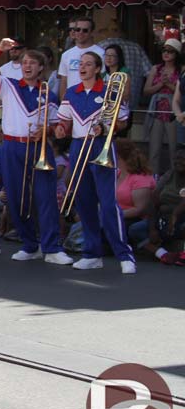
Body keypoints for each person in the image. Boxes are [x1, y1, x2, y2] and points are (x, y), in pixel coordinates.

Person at [53, 51, 136, 273]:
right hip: (79, 146)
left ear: (97, 69)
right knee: (84, 202)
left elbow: (122, 121)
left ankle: (124, 254)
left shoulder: (110, 90)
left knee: (108, 203)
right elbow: (64, 123)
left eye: (88, 64)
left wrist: (106, 128)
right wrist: (61, 130)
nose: (83, 67)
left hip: (101, 146)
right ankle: (92, 253)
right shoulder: (72, 93)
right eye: (81, 64)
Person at [0, 42, 70, 264]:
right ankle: (29, 244)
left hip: (39, 147)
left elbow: (58, 126)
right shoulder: (9, 85)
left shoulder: (50, 95)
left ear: (41, 68)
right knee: (16, 198)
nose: (27, 66)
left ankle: (52, 247)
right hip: (11, 145)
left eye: (32, 63)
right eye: (24, 62)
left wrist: (49, 129)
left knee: (45, 197)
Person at [132, 149, 185, 264]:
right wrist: (152, 229)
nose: (178, 162)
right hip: (163, 218)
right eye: (176, 159)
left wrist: (175, 214)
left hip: (181, 219)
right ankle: (163, 254)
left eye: (182, 159)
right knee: (135, 230)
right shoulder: (169, 174)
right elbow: (153, 200)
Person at [145, 39, 182, 174]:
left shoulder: (181, 70)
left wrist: (168, 84)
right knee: (154, 149)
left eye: (170, 51)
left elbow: (182, 92)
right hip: (157, 110)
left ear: (176, 53)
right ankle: (153, 177)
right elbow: (146, 90)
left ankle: (175, 177)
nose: (166, 53)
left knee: (174, 149)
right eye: (164, 50)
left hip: (174, 112)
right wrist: (160, 84)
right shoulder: (156, 68)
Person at [114, 138, 155, 252]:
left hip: (134, 219)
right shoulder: (117, 173)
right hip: (117, 215)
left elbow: (139, 209)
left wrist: (112, 215)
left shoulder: (140, 178)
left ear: (118, 155)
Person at [57, 17, 105, 99]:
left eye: (85, 30)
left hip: (93, 99)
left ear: (92, 33)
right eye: (77, 29)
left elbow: (104, 79)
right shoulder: (66, 54)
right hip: (71, 100)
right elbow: (64, 81)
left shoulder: (101, 53)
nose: (80, 32)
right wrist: (63, 101)